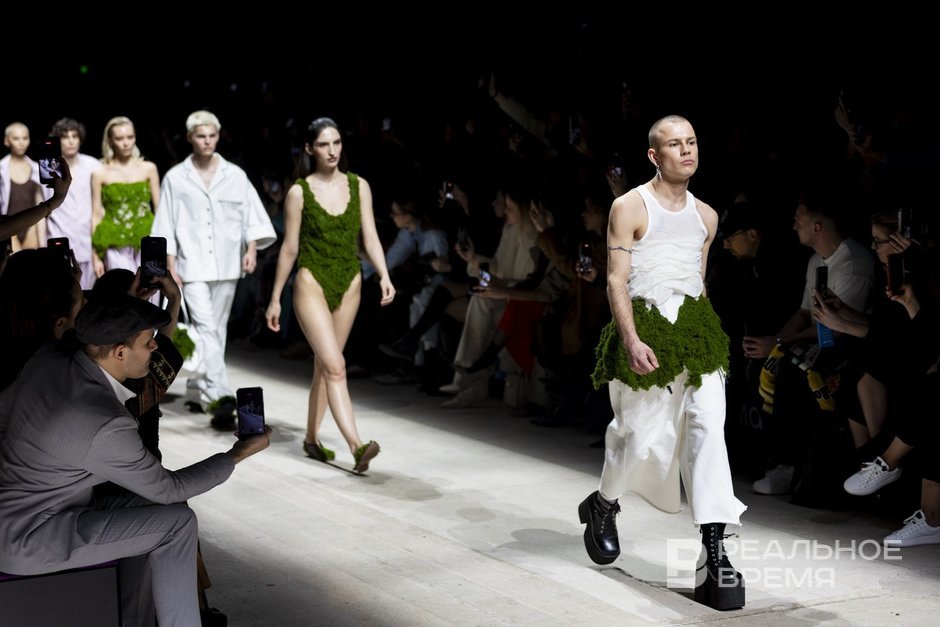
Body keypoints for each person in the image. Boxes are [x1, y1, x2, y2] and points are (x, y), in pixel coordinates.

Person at [0, 294, 272, 626]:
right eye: (148, 342)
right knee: (177, 523)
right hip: (30, 538)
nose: (156, 347)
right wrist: (238, 453)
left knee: (158, 511)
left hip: (25, 513)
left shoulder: (48, 359)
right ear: (120, 353)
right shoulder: (105, 421)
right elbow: (169, 488)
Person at [583, 115, 746, 611]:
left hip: (696, 333)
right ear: (654, 155)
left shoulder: (707, 216)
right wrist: (630, 339)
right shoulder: (629, 206)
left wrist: (707, 333)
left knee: (707, 430)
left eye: (691, 142)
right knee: (640, 436)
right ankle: (604, 504)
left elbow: (697, 282)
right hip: (646, 328)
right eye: (675, 144)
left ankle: (715, 549)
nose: (686, 151)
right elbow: (616, 279)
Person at [265, 117, 394, 473]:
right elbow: (289, 248)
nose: (332, 150)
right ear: (310, 149)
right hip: (311, 281)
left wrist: (384, 274)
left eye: (336, 142)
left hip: (350, 281)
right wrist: (275, 298)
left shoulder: (359, 186)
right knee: (336, 366)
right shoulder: (299, 192)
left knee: (325, 364)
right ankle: (357, 445)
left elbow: (370, 237)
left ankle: (310, 439)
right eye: (324, 144)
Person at [151, 110, 276, 428]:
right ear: (190, 138)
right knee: (207, 328)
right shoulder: (176, 177)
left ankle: (197, 390)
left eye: (212, 136)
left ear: (218, 136)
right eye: (201, 136)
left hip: (227, 262)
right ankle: (220, 395)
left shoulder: (235, 175)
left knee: (217, 330)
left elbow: (250, 213)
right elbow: (165, 221)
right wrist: (170, 263)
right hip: (191, 264)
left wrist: (251, 248)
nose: (207, 141)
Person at [91, 116, 161, 275]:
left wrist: (166, 250)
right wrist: (95, 256)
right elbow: (96, 215)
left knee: (150, 288)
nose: (126, 143)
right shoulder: (100, 173)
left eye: (130, 137)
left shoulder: (149, 169)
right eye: (119, 138)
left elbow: (160, 210)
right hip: (113, 243)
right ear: (110, 140)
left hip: (148, 241)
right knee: (122, 288)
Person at [44, 118, 103, 289]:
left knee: (86, 294)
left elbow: (100, 207)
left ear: (80, 139)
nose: (71, 141)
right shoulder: (48, 168)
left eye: (74, 136)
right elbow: (44, 207)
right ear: (57, 140)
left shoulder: (94, 166)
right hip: (57, 239)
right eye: (65, 136)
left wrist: (99, 251)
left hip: (87, 242)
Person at [0, 122, 45, 253]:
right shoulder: (1, 169)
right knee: (13, 265)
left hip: (32, 227)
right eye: (16, 138)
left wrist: (43, 244)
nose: (21, 143)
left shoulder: (36, 169)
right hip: (9, 227)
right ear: (6, 141)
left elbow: (40, 204)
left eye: (25, 138)